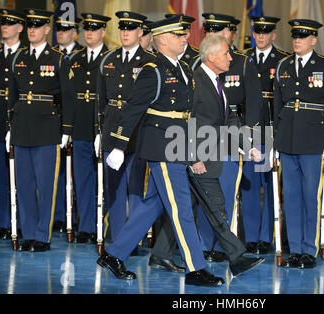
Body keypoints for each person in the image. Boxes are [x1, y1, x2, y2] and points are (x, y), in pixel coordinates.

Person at [97, 15, 224, 287]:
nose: (185, 39)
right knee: (180, 210)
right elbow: (132, 109)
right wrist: (119, 145)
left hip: (177, 145)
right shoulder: (152, 70)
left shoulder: (182, 68)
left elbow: (185, 115)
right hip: (162, 148)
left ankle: (114, 255)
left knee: (152, 205)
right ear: (163, 39)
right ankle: (196, 268)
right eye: (179, 35)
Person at [273, 19, 324, 269]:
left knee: (310, 196)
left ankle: (309, 250)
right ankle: (295, 249)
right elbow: (277, 106)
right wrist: (275, 138)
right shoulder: (282, 66)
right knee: (290, 196)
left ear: (313, 40)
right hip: (288, 139)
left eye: (302, 37)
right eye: (294, 36)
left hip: (314, 139)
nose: (297, 40)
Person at [194, 13, 263, 262]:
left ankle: (223, 248)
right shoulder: (196, 73)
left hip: (229, 145)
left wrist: (249, 144)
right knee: (207, 202)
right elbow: (189, 119)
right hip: (203, 149)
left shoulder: (241, 64)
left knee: (224, 198)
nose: (230, 57)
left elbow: (241, 111)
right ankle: (203, 246)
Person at [6, 9, 69, 252]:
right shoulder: (19, 57)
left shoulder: (58, 58)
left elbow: (68, 97)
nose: (32, 29)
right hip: (22, 127)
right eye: (29, 25)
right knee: (23, 184)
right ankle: (29, 233)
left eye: (37, 25)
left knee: (46, 185)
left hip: (47, 128)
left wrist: (66, 129)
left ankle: (43, 236)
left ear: (46, 29)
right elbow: (12, 95)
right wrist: (9, 126)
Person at [95, 11, 154, 244]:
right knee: (114, 188)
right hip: (111, 126)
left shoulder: (150, 61)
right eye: (122, 29)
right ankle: (118, 238)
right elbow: (100, 99)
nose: (126, 33)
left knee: (136, 187)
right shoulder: (108, 60)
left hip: (138, 130)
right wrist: (97, 130)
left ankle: (134, 239)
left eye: (131, 29)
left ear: (140, 32)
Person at [242, 16, 290, 255]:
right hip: (248, 130)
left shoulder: (282, 61)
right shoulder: (243, 58)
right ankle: (251, 237)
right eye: (257, 32)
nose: (260, 36)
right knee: (249, 185)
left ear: (273, 35)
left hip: (269, 131)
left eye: (265, 32)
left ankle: (266, 236)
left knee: (269, 184)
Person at [61, 13, 111, 244]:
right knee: (83, 180)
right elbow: (69, 97)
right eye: (86, 29)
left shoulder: (111, 58)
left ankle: (106, 225)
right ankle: (87, 227)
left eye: (94, 29)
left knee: (107, 181)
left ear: (103, 32)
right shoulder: (75, 59)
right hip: (81, 126)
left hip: (103, 126)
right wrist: (67, 129)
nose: (89, 32)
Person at [0, 9, 25, 240]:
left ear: (20, 28)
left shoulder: (27, 55)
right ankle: (4, 222)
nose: (5, 27)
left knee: (22, 177)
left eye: (10, 23)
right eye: (3, 23)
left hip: (21, 121)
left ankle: (21, 221)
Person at [53, 14, 85, 233]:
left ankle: (77, 218)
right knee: (57, 171)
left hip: (77, 120)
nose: (61, 33)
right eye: (59, 29)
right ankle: (58, 217)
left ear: (75, 32)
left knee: (79, 174)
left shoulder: (81, 55)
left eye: (66, 30)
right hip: (53, 119)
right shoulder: (52, 55)